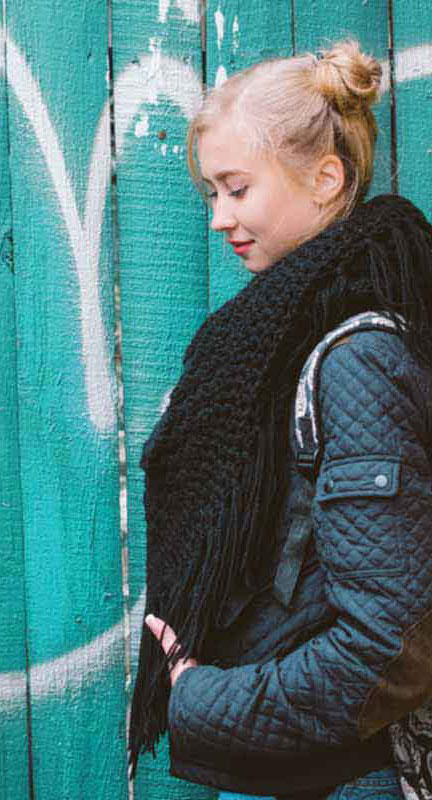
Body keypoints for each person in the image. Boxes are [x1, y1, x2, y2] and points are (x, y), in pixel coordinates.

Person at [128, 40, 432, 800]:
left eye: (237, 189)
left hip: (352, 777)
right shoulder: (285, 336)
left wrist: (199, 696)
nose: (218, 218)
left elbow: (386, 647)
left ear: (327, 178)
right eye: (211, 194)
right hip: (309, 762)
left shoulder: (358, 358)